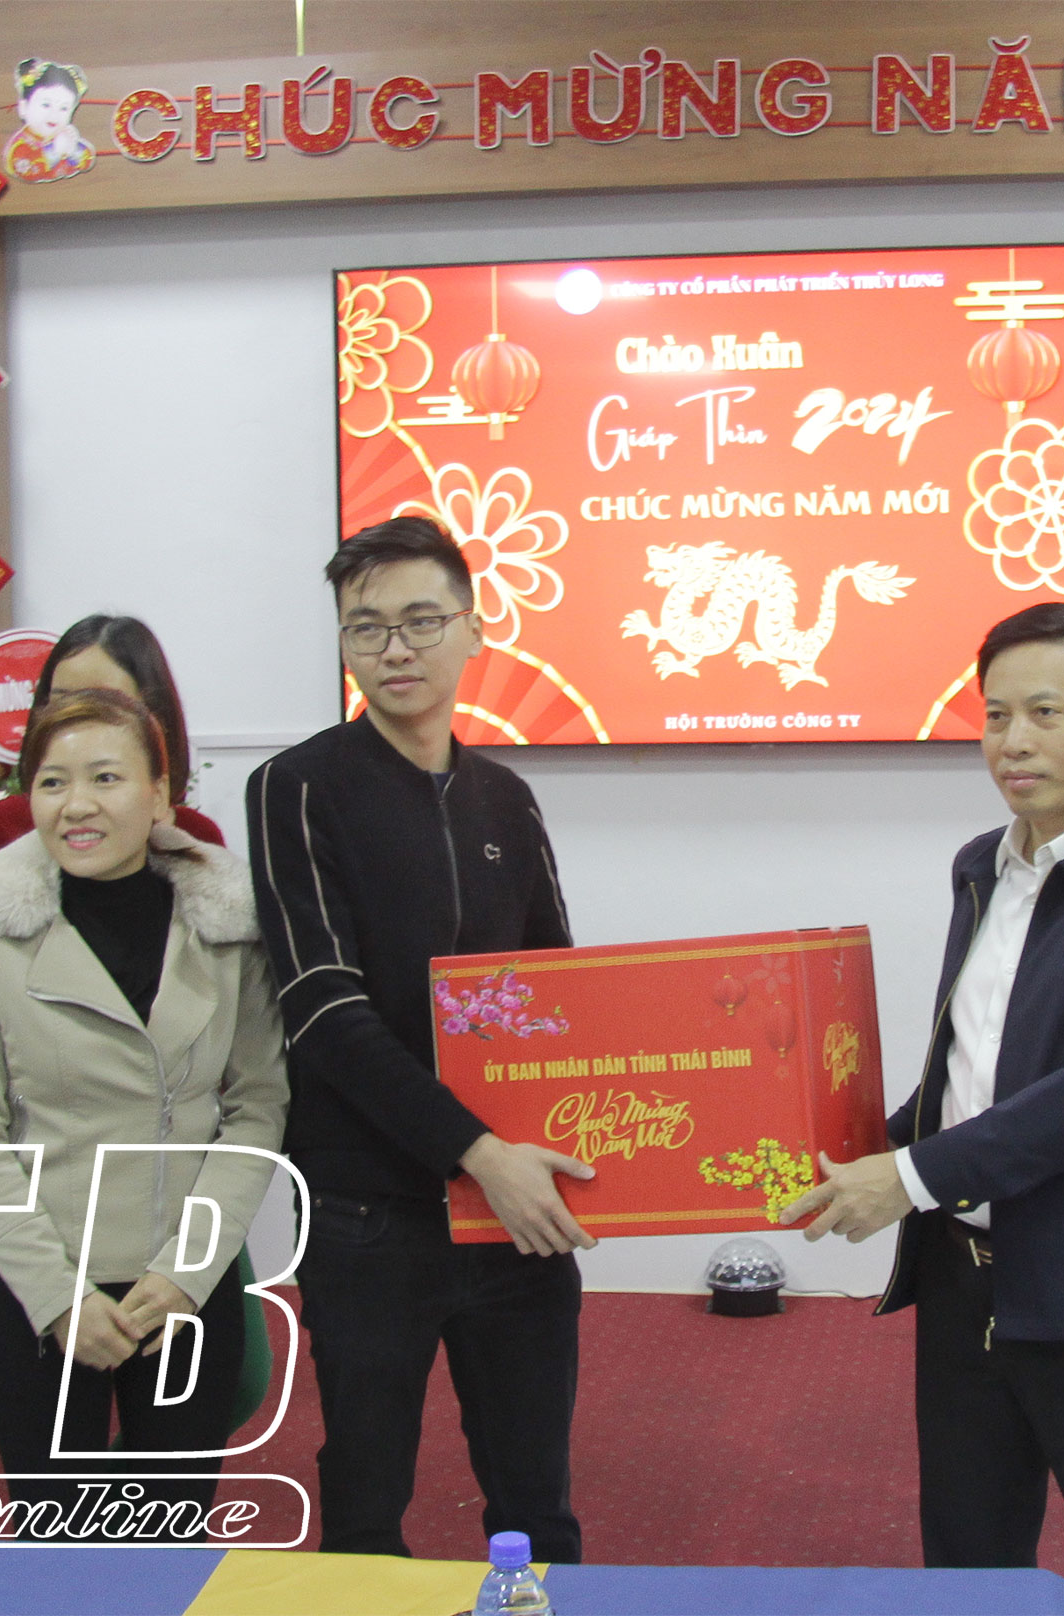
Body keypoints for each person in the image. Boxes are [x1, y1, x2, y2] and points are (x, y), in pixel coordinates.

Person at [778, 603, 1064, 1616]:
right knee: (969, 1559)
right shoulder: (982, 863)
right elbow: (968, 1072)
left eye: (1044, 712)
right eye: (994, 716)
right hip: (965, 1279)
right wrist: (838, 1148)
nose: (1012, 741)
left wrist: (905, 1177)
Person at [244, 515, 590, 1561]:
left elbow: (559, 998)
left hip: (512, 1214)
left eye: (421, 621)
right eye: (367, 627)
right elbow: (323, 1010)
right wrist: (477, 1150)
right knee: (364, 1501)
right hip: (368, 1213)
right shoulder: (296, 787)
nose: (395, 648)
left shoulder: (507, 799)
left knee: (537, 1499)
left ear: (474, 628)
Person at [0, 689, 288, 1532]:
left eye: (105, 777)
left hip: (184, 1283)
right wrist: (58, 1297)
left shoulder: (223, 919)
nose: (76, 805)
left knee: (171, 1542)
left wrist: (186, 1274)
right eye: (52, 783)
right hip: (43, 1285)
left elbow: (257, 1107)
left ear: (160, 795)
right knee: (58, 1555)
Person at [0, 612, 222, 877]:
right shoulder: (5, 825)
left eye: (106, 703)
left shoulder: (196, 835)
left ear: (155, 716)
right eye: (62, 702)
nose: (79, 720)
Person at [4, 58, 97, 183]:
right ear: (24, 107)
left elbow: (87, 161)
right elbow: (26, 171)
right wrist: (55, 150)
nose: (54, 115)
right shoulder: (20, 145)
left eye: (64, 108)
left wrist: (73, 149)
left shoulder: (65, 135)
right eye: (46, 105)